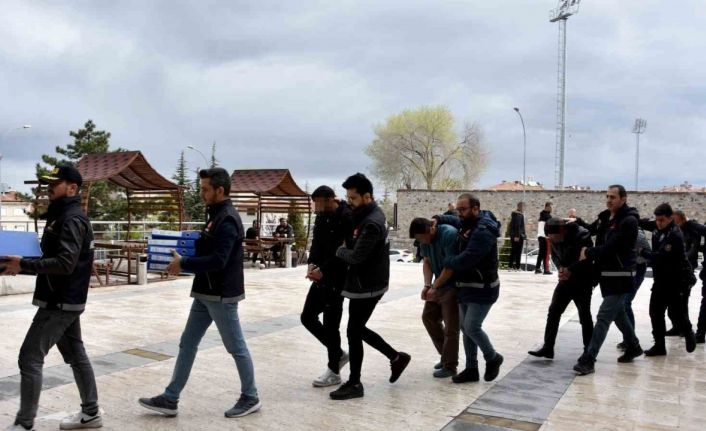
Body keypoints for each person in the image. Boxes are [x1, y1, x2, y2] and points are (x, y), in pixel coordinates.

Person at [138, 168, 261, 419]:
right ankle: (170, 398)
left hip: (221, 295)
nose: (202, 193)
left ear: (220, 190)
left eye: (205, 189)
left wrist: (184, 263)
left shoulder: (227, 219)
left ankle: (251, 396)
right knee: (187, 343)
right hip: (204, 291)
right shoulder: (214, 215)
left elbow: (219, 260)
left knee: (235, 346)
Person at [1, 165, 101, 431]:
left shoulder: (71, 219)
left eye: (55, 184)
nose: (49, 188)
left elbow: (65, 264)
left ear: (72, 188)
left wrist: (24, 264)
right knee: (76, 355)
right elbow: (51, 259)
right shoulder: (62, 215)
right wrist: (18, 264)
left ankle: (24, 424)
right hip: (64, 298)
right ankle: (91, 413)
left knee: (29, 357)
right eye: (48, 184)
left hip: (60, 301)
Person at [329, 173, 411, 400]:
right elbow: (351, 220)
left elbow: (356, 256)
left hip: (367, 285)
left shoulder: (372, 223)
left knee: (353, 332)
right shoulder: (367, 213)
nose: (350, 202)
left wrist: (340, 250)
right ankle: (396, 358)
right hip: (366, 282)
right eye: (348, 198)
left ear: (367, 197)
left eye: (353, 198)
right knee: (357, 329)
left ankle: (355, 383)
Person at [432, 194, 504, 384]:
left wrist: (446, 261)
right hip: (466, 286)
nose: (460, 214)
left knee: (472, 326)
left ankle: (492, 357)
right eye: (458, 210)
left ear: (475, 208)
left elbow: (468, 259)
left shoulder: (483, 230)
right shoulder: (468, 222)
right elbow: (455, 220)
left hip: (483, 288)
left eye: (463, 209)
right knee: (465, 328)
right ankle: (472, 369)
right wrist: (438, 218)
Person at [574, 185, 643, 376]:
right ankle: (633, 346)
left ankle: (589, 359)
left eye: (613, 197)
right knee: (619, 314)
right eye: (607, 196)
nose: (609, 200)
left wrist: (589, 252)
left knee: (604, 316)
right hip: (606, 275)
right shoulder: (606, 217)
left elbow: (614, 247)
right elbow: (591, 230)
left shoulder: (629, 221)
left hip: (621, 276)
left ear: (623, 199)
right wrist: (575, 222)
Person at [301, 185, 353, 387]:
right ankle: (338, 353)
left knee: (331, 324)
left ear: (329, 200)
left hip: (337, 277)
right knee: (307, 317)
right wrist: (311, 265)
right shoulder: (322, 216)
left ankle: (334, 371)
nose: (316, 207)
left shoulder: (346, 217)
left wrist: (323, 270)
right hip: (320, 276)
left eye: (318, 203)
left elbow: (344, 251)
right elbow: (316, 243)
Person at [528, 218, 595, 359]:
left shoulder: (582, 235)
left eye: (553, 237)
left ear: (562, 231)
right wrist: (560, 269)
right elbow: (555, 256)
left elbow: (587, 259)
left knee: (584, 315)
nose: (551, 240)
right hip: (565, 280)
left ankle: (589, 351)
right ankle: (548, 347)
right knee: (554, 311)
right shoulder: (553, 238)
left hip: (583, 280)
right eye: (549, 237)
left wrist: (570, 270)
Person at [638, 204, 696, 356]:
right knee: (655, 312)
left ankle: (688, 332)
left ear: (670, 218)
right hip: (661, 279)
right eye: (657, 220)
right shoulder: (658, 226)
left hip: (677, 280)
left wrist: (643, 252)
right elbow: (644, 223)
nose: (658, 223)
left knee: (676, 313)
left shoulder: (674, 235)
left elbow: (660, 258)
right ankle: (659, 346)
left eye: (662, 220)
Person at [409, 217, 460, 378]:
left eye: (422, 237)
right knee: (429, 317)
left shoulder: (449, 234)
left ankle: (450, 365)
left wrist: (434, 286)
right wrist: (427, 285)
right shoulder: (424, 240)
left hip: (453, 284)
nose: (422, 241)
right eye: (418, 239)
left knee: (451, 327)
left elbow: (450, 267)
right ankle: (445, 356)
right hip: (438, 283)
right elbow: (427, 262)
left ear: (431, 229)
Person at [668, 211, 706, 338]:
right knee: (674, 301)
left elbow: (693, 250)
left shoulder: (692, 231)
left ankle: (688, 329)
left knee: (682, 300)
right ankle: (679, 326)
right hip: (676, 268)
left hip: (686, 268)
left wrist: (680, 258)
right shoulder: (674, 231)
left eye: (677, 220)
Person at [617, 227, 651, 350]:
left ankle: (630, 340)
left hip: (637, 268)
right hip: (628, 269)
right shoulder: (621, 231)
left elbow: (647, 255)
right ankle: (629, 339)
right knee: (623, 304)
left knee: (625, 303)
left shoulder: (638, 235)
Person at [535, 202, 553, 275]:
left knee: (541, 253)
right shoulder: (548, 216)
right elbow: (549, 228)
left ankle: (537, 268)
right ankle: (546, 270)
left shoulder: (542, 215)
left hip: (540, 236)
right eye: (551, 207)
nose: (552, 209)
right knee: (546, 254)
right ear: (547, 207)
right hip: (545, 237)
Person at [508, 202, 526, 270]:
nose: (524, 208)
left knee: (514, 251)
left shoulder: (516, 214)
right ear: (520, 207)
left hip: (515, 235)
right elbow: (518, 225)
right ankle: (516, 267)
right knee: (517, 251)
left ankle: (511, 266)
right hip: (517, 236)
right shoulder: (518, 214)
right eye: (523, 206)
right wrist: (517, 236)